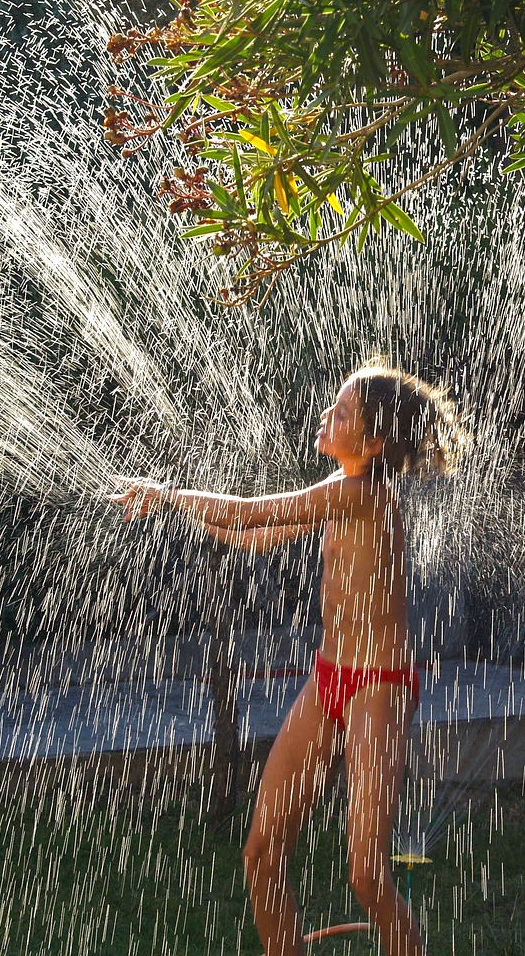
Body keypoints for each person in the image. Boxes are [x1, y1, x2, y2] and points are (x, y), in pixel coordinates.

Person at [109, 361, 464, 956]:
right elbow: (251, 534)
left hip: (379, 685)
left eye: (344, 413)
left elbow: (253, 513)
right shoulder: (341, 493)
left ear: (373, 442)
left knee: (368, 875)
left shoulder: (360, 493)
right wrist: (189, 512)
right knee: (261, 851)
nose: (328, 416)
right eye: (334, 405)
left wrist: (168, 495)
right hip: (329, 677)